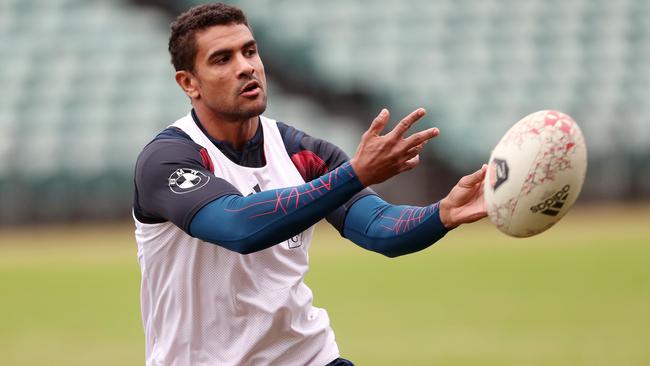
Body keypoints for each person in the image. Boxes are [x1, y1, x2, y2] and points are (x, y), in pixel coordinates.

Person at [133, 3, 487, 365]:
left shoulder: (302, 152)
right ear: (188, 82)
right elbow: (237, 226)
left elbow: (381, 228)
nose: (246, 67)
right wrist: (354, 174)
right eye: (222, 59)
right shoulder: (167, 159)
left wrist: (443, 213)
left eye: (250, 51)